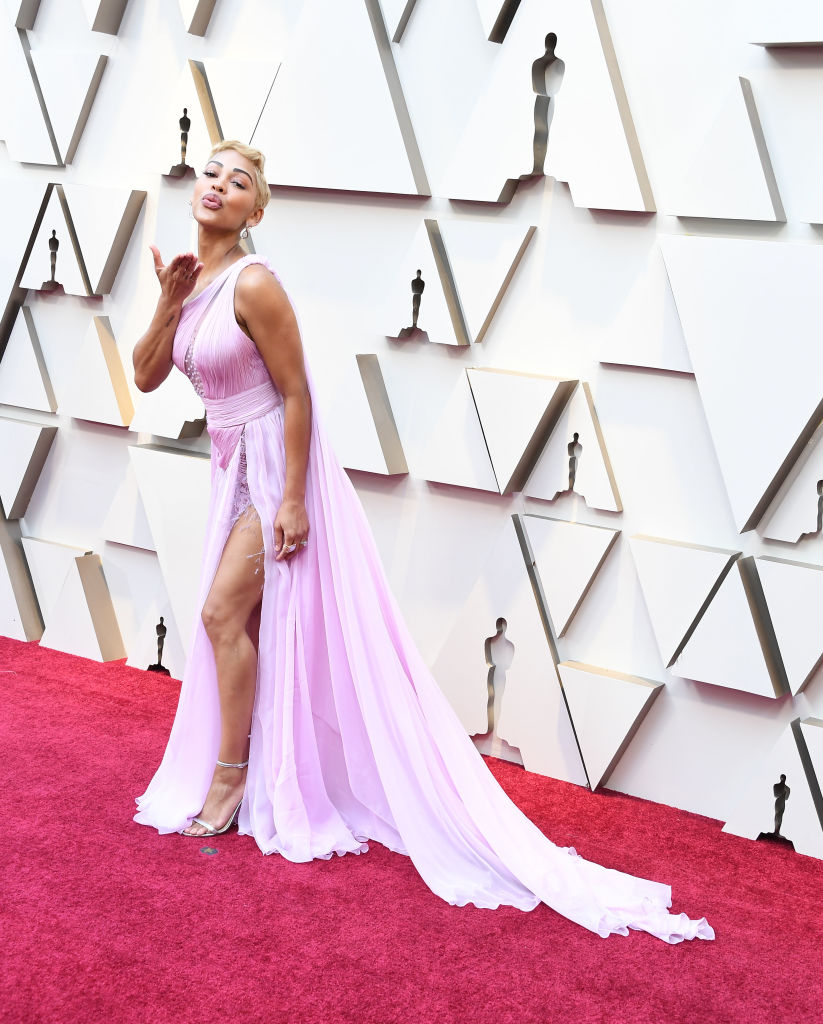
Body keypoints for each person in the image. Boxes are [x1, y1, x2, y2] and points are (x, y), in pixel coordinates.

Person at [132, 141, 713, 945]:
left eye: (238, 183)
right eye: (210, 175)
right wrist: (166, 302)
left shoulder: (256, 284)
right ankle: (261, 766)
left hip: (273, 470)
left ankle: (232, 782)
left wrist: (294, 496)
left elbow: (297, 392)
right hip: (228, 473)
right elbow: (146, 377)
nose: (218, 188)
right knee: (245, 627)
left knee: (221, 618)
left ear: (254, 210)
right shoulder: (187, 282)